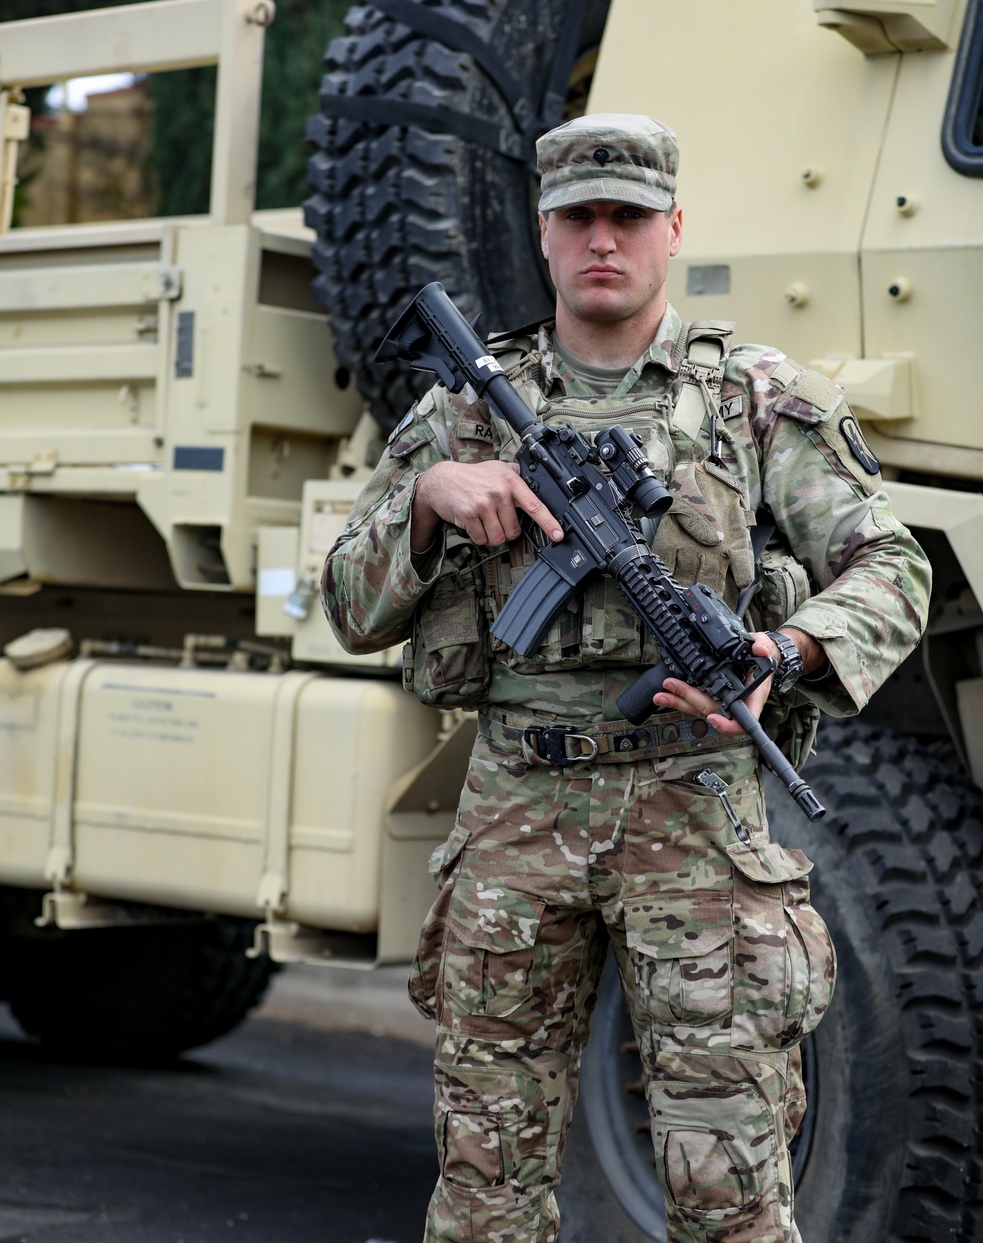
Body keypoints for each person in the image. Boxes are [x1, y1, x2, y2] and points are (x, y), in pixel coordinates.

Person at [321, 113, 931, 1243]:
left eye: (629, 218)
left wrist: (780, 653)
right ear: (544, 235)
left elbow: (892, 563)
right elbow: (351, 605)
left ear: (672, 230)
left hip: (695, 811)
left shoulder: (754, 399)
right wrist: (426, 499)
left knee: (729, 1193)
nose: (604, 240)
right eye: (579, 218)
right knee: (483, 1189)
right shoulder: (463, 408)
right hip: (516, 810)